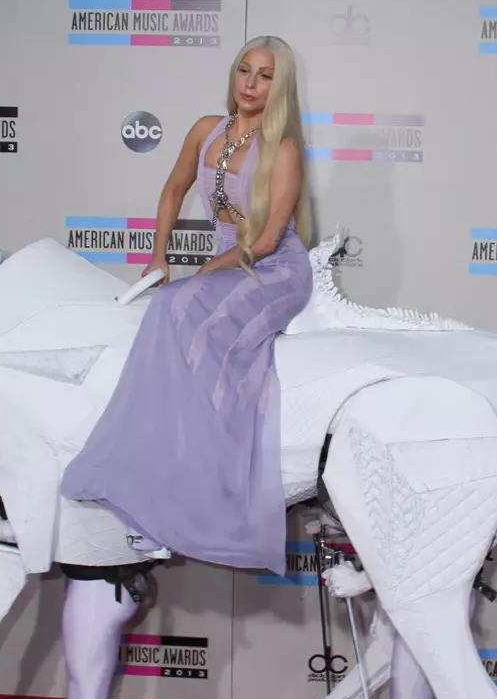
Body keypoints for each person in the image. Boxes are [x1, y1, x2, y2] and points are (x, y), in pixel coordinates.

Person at [60, 34, 314, 578]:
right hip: (227, 265)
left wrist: (207, 272)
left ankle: (210, 481)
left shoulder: (284, 150)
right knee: (167, 305)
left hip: (274, 271)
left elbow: (267, 240)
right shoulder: (206, 130)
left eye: (264, 75)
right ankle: (155, 481)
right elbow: (174, 190)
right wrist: (158, 257)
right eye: (244, 69)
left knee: (180, 310)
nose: (250, 82)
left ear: (279, 86)